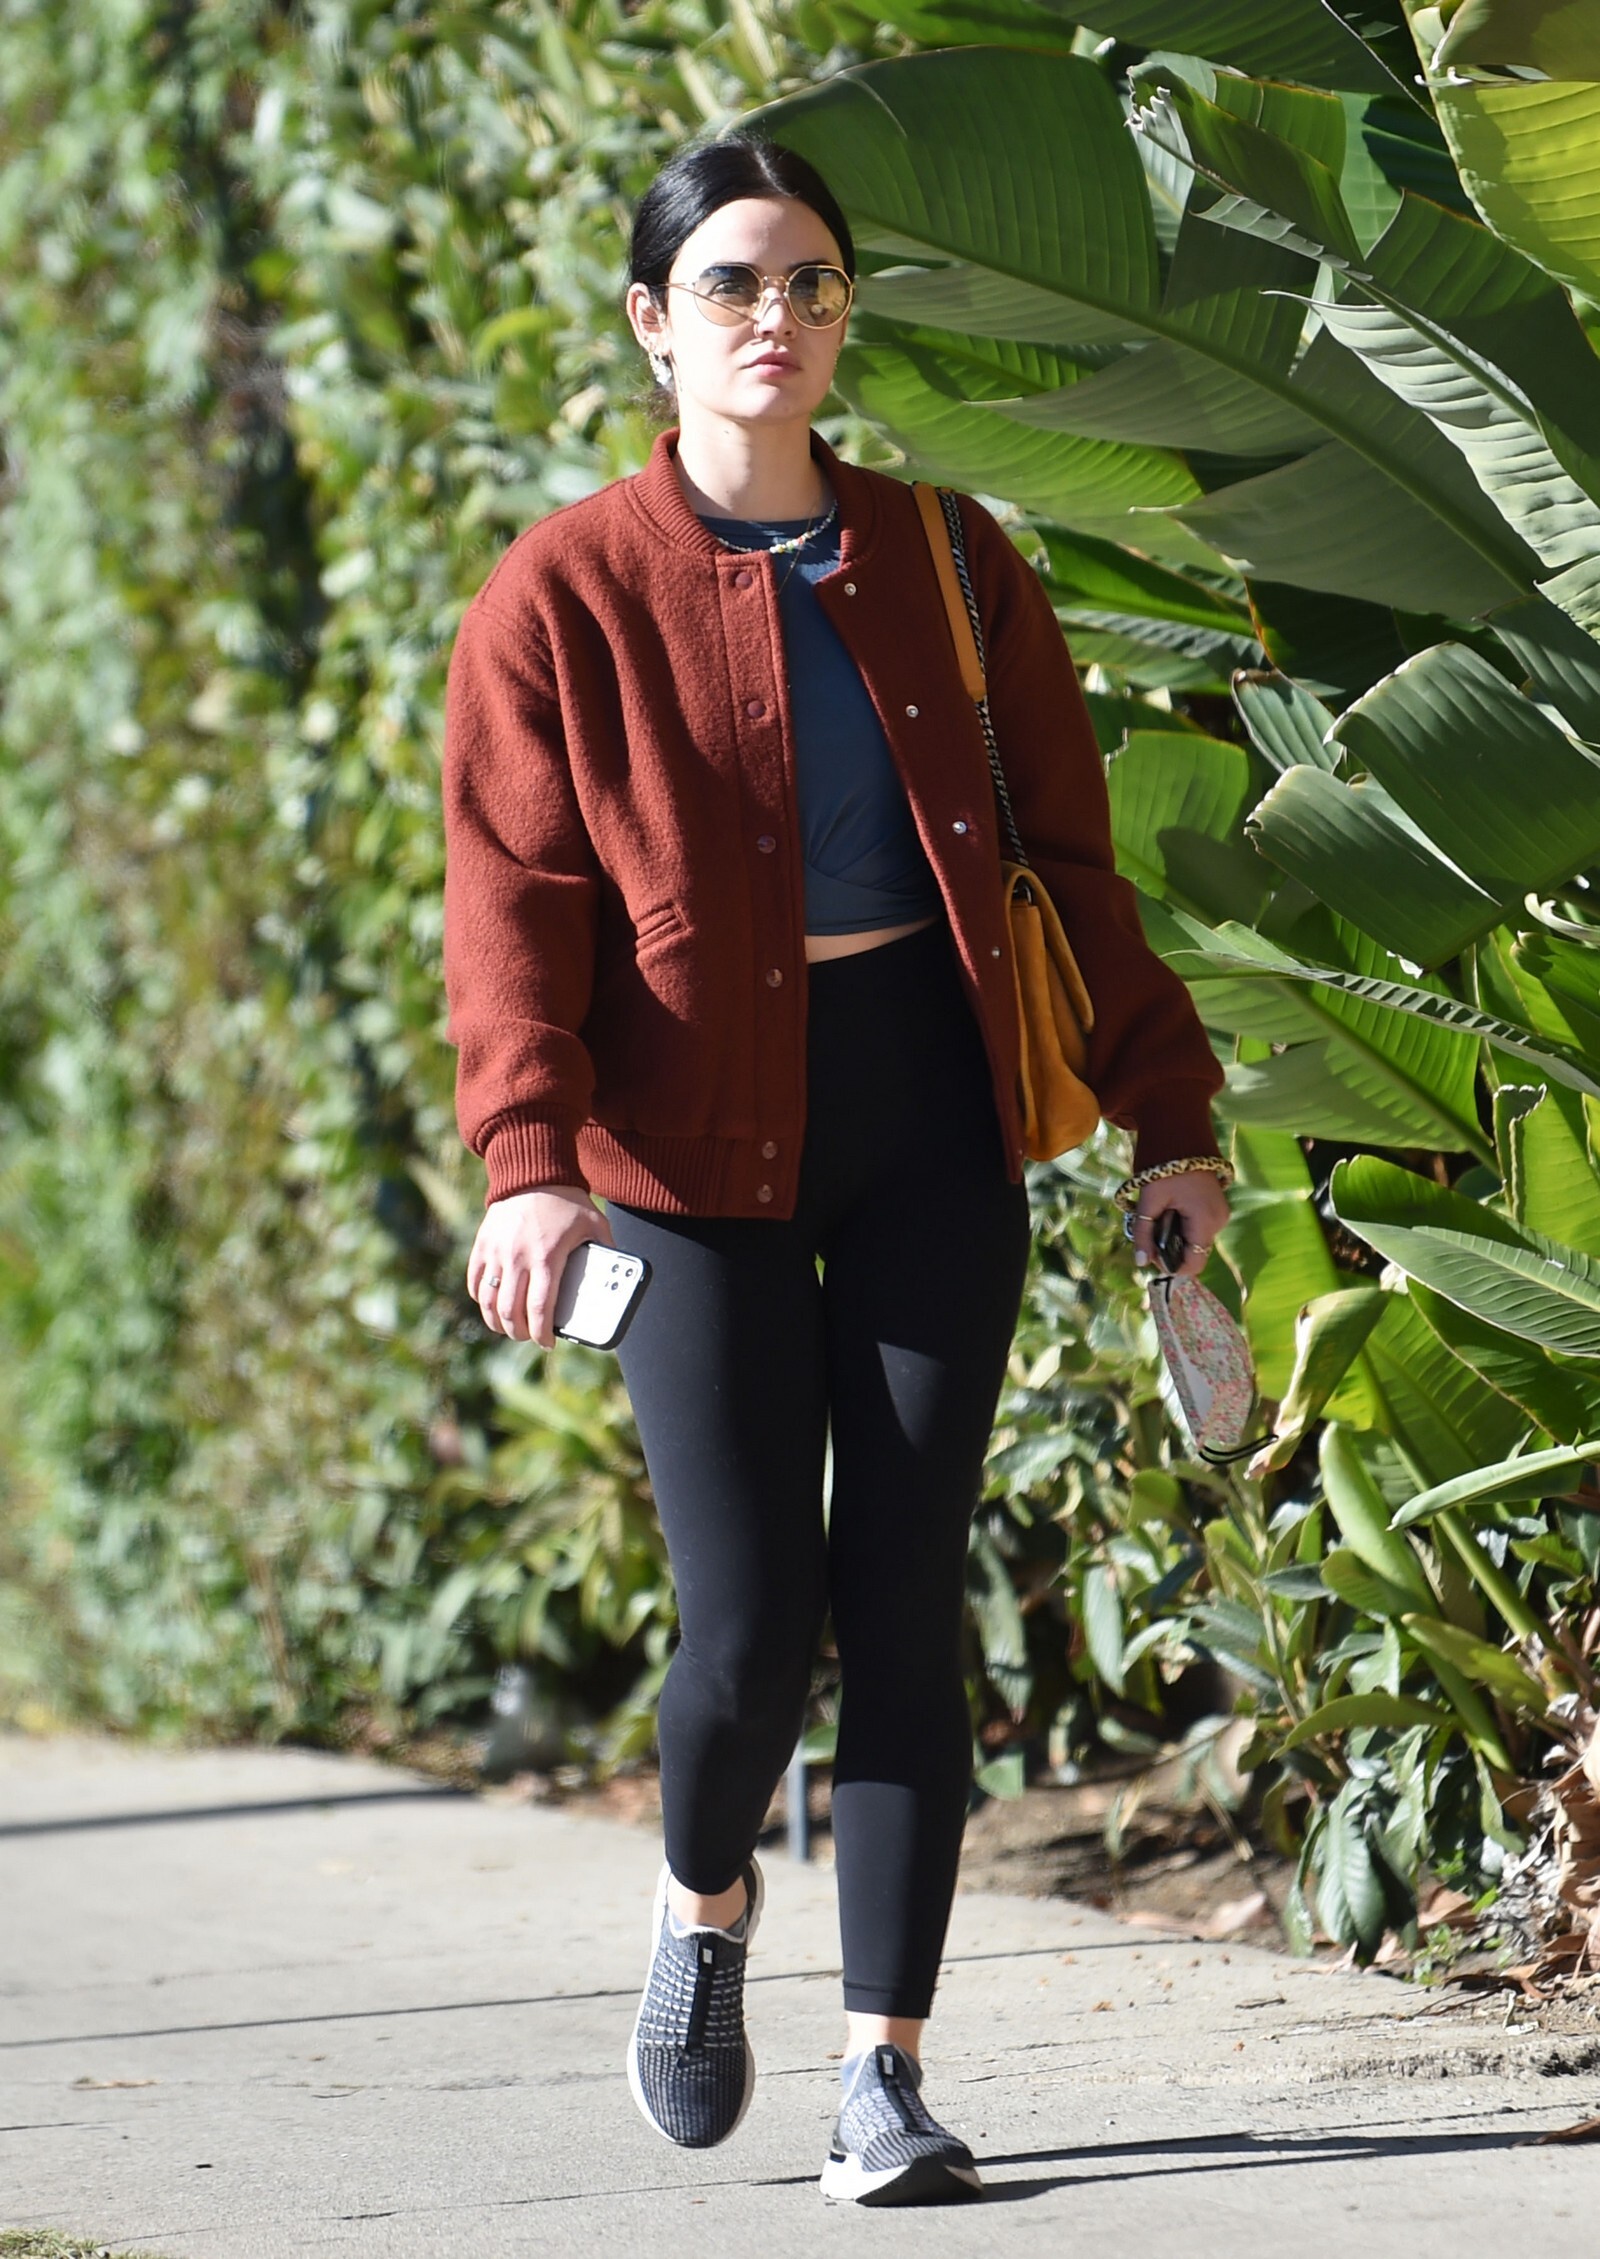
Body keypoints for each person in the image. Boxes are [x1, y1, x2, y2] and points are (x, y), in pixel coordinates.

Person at [439, 129, 1230, 2206]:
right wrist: (527, 1160)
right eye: (729, 283)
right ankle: (704, 1905)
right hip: (679, 1148)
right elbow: (511, 901)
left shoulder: (951, 557)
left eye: (808, 282)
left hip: (926, 1115)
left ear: (843, 313)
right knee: (743, 1623)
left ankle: (884, 2071)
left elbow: (1070, 861)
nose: (773, 317)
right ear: (652, 321)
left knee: (902, 1586)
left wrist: (1168, 1115)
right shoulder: (559, 591)